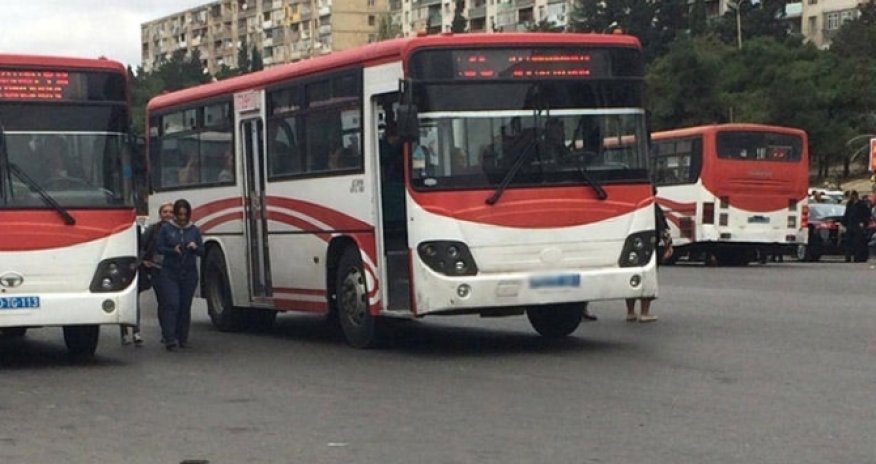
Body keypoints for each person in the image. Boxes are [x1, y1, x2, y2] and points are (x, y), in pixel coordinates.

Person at [122, 201, 174, 346]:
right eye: (165, 212)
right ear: (160, 214)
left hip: (168, 270)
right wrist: (142, 262)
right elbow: (142, 247)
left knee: (165, 302)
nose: (168, 215)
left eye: (171, 212)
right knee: (133, 300)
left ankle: (167, 333)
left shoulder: (178, 230)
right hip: (149, 268)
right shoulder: (153, 229)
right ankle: (132, 332)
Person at [156, 199, 204, 350]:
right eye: (180, 215)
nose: (182, 218)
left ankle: (182, 337)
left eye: (185, 215)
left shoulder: (194, 230)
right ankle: (169, 337)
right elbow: (159, 247)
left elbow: (202, 251)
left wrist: (195, 247)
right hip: (170, 272)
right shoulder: (167, 229)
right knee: (172, 304)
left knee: (185, 306)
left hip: (189, 273)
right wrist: (172, 250)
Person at [626, 195, 672, 323]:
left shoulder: (631, 204)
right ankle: (644, 312)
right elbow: (663, 228)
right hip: (649, 247)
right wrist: (668, 245)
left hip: (631, 247)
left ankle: (630, 312)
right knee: (648, 278)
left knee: (632, 277)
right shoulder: (652, 207)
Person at [842, 190, 871, 262]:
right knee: (848, 242)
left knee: (857, 243)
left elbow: (867, 215)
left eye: (851, 196)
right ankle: (848, 257)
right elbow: (846, 214)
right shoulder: (849, 204)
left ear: (854, 196)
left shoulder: (862, 204)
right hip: (850, 225)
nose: (850, 197)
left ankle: (857, 257)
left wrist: (864, 222)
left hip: (858, 226)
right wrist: (843, 224)